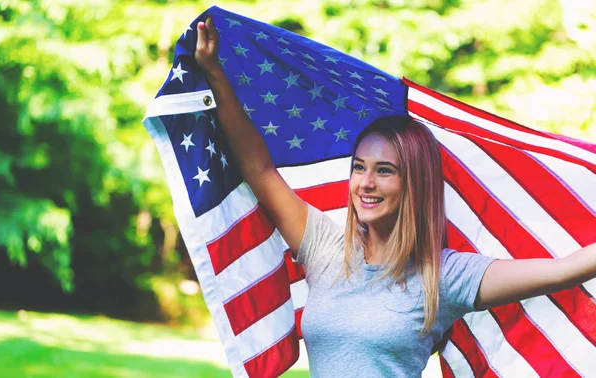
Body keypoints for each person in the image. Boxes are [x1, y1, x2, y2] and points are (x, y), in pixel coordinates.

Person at [193, 16, 596, 377]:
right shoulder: (326, 249)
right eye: (359, 167)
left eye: (384, 171)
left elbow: (564, 271)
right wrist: (215, 74)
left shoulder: (446, 276)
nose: (365, 182)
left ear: (413, 184)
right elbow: (259, 170)